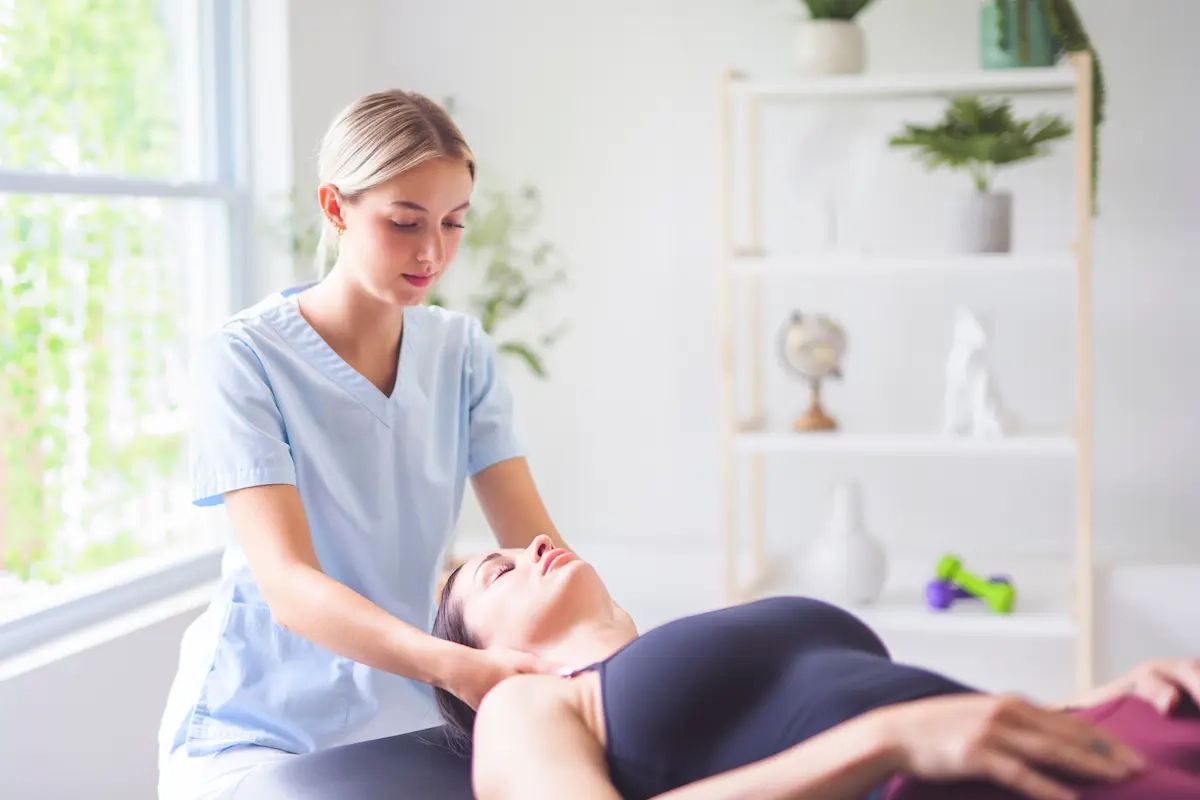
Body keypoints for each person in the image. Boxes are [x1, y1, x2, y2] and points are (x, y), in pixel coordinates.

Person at [156, 89, 581, 799]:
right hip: (260, 724)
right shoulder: (245, 357)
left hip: (410, 715)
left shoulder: (462, 353)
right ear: (335, 207)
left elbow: (536, 543)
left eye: (453, 222)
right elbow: (288, 585)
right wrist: (455, 666)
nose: (432, 251)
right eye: (404, 220)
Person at [433, 535, 1200, 800]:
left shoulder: (678, 641)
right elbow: (909, 733)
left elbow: (948, 723)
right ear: (491, 661)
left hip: (1063, 751)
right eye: (496, 573)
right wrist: (886, 744)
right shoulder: (526, 706)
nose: (530, 545)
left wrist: (1102, 701)